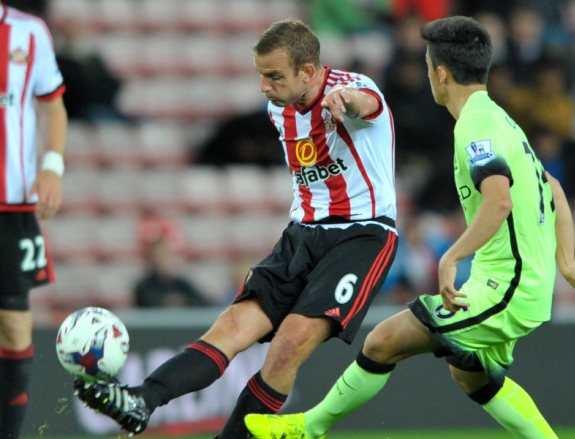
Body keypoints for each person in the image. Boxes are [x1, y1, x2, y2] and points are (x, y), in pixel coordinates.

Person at [244, 16, 575, 439]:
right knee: (472, 376)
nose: (426, 76)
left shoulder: (477, 126)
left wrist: (451, 256)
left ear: (441, 73)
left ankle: (307, 427)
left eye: (426, 67)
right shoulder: (498, 119)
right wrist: (565, 264)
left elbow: (500, 200)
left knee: (384, 340)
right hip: (511, 282)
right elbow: (552, 186)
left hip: (507, 286)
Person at [74, 18, 398, 438]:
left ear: (309, 71)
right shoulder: (278, 107)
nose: (265, 87)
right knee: (232, 326)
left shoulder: (352, 86)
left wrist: (346, 101)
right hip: (303, 233)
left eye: (275, 76)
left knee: (289, 343)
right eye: (261, 76)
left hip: (361, 233)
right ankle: (141, 401)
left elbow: (367, 103)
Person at [0, 2, 67, 438]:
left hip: (11, 205)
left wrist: (52, 166)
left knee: (13, 322)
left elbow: (53, 106)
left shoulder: (29, 32)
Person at [134, 238, 214, 308]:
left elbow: (203, 304)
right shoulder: (144, 287)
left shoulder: (182, 284)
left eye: (167, 254)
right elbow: (148, 305)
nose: (164, 260)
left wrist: (184, 302)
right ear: (151, 259)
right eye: (160, 255)